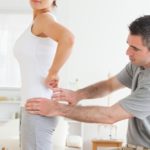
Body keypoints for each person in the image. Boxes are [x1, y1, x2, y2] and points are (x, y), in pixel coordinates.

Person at [26, 15, 150, 150]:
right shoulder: (137, 65)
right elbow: (109, 85)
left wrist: (57, 108)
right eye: (128, 45)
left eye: (135, 49)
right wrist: (77, 95)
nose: (127, 52)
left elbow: (109, 115)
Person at [13, 0, 74, 150]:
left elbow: (68, 38)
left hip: (37, 108)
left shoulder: (44, 19)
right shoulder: (37, 22)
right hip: (32, 106)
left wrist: (53, 72)